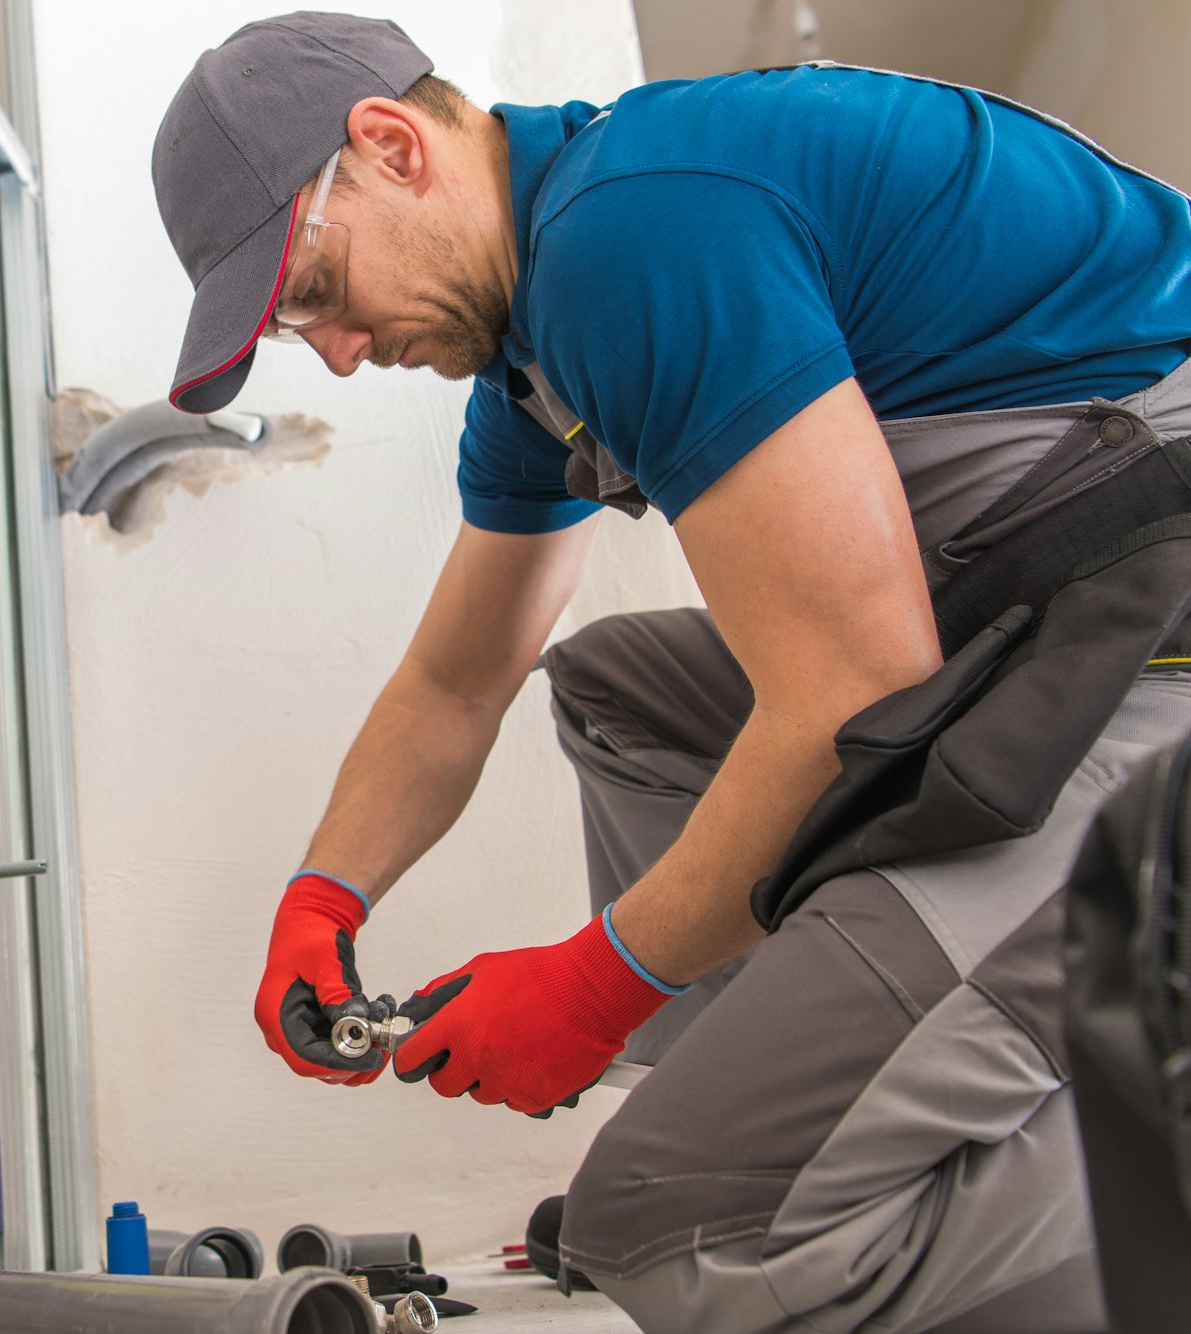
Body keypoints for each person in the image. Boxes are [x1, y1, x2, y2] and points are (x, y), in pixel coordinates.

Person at [149, 12, 1191, 1333]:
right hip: (1035, 638)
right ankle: (796, 1099)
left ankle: (1025, 1176)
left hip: (1152, 635)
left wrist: (597, 982)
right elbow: (460, 680)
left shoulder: (629, 233)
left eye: (314, 290)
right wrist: (324, 896)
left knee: (680, 1225)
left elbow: (858, 690)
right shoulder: (537, 347)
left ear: (392, 145)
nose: (342, 353)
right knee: (619, 689)